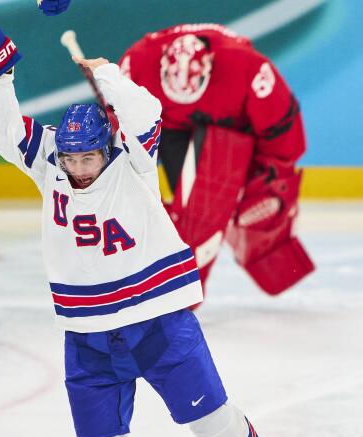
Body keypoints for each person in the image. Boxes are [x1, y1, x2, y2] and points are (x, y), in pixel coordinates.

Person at [0, 12, 292, 437]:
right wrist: (0, 71)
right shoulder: (50, 163)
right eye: (73, 157)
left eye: (89, 156)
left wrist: (106, 74)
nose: (80, 167)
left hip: (159, 323)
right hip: (87, 340)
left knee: (214, 423)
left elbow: (143, 114)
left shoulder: (134, 160)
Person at [118, 23, 312, 296]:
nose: (185, 88)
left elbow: (283, 128)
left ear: (209, 66)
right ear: (161, 65)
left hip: (233, 131)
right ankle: (178, 280)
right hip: (173, 130)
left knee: (254, 213)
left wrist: (267, 180)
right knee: (195, 217)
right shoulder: (138, 63)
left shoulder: (248, 67)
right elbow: (119, 138)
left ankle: (183, 284)